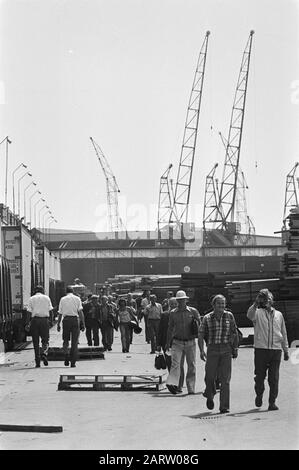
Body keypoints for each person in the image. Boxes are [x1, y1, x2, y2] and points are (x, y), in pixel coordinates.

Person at [247, 288, 289, 411]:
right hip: (261, 349)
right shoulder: (258, 313)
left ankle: (272, 402)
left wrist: (285, 350)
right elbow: (249, 315)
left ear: (272, 301)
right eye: (264, 299)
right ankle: (259, 394)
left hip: (276, 350)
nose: (267, 301)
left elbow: (283, 333)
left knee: (274, 378)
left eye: (269, 298)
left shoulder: (279, 315)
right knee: (260, 376)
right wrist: (256, 303)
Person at [199, 294, 238, 413]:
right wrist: (201, 350)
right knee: (210, 377)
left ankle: (224, 407)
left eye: (223, 304)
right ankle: (210, 394)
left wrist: (235, 348)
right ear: (213, 305)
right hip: (212, 349)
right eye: (219, 304)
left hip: (226, 350)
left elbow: (234, 332)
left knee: (225, 379)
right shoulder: (207, 318)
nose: (221, 306)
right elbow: (200, 334)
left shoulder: (229, 316)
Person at [166, 290, 201, 395]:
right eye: (179, 300)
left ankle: (190, 388)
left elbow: (200, 326)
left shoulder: (193, 311)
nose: (181, 302)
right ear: (177, 301)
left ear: (186, 300)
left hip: (190, 342)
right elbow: (170, 328)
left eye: (183, 300)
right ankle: (175, 385)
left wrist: (201, 340)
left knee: (191, 365)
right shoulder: (173, 313)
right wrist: (168, 342)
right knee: (176, 364)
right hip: (177, 341)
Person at [157, 297, 185, 393]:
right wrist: (158, 344)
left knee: (178, 365)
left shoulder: (181, 315)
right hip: (167, 344)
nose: (173, 306)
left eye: (175, 304)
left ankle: (178, 385)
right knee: (170, 364)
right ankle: (173, 384)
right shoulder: (164, 315)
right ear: (169, 305)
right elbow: (160, 330)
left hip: (179, 342)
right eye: (171, 304)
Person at [57, 286, 85, 367]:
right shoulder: (77, 299)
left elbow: (60, 313)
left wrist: (58, 324)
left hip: (66, 320)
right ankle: (73, 362)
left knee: (65, 340)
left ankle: (66, 355)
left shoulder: (62, 299)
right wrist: (83, 323)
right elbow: (80, 312)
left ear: (66, 291)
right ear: (73, 291)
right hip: (75, 320)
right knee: (74, 342)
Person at [26, 285, 53, 368]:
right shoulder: (47, 298)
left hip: (35, 321)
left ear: (35, 291)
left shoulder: (31, 298)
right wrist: (51, 321)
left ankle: (37, 362)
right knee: (45, 340)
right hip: (44, 321)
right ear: (43, 291)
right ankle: (44, 353)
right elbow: (51, 311)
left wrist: (27, 323)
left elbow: (29, 312)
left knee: (35, 342)